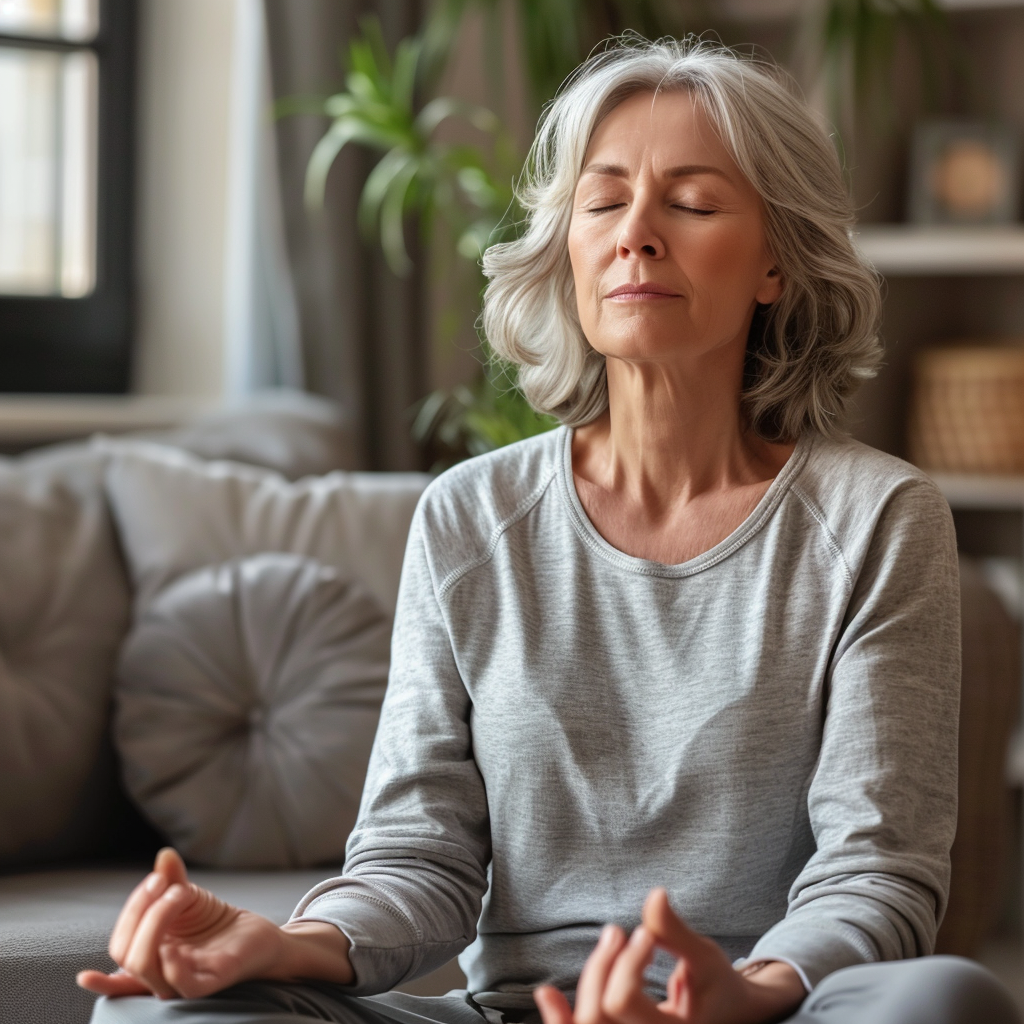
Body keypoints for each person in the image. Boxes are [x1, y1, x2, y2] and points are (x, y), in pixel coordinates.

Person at [80, 37, 1020, 1024]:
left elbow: (877, 872)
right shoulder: (468, 516)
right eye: (604, 200)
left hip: (763, 1012)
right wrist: (289, 941)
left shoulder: (878, 518)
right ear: (568, 245)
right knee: (153, 1013)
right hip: (518, 1013)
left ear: (776, 262)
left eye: (692, 203)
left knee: (948, 999)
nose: (637, 235)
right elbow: (418, 857)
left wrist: (742, 991)